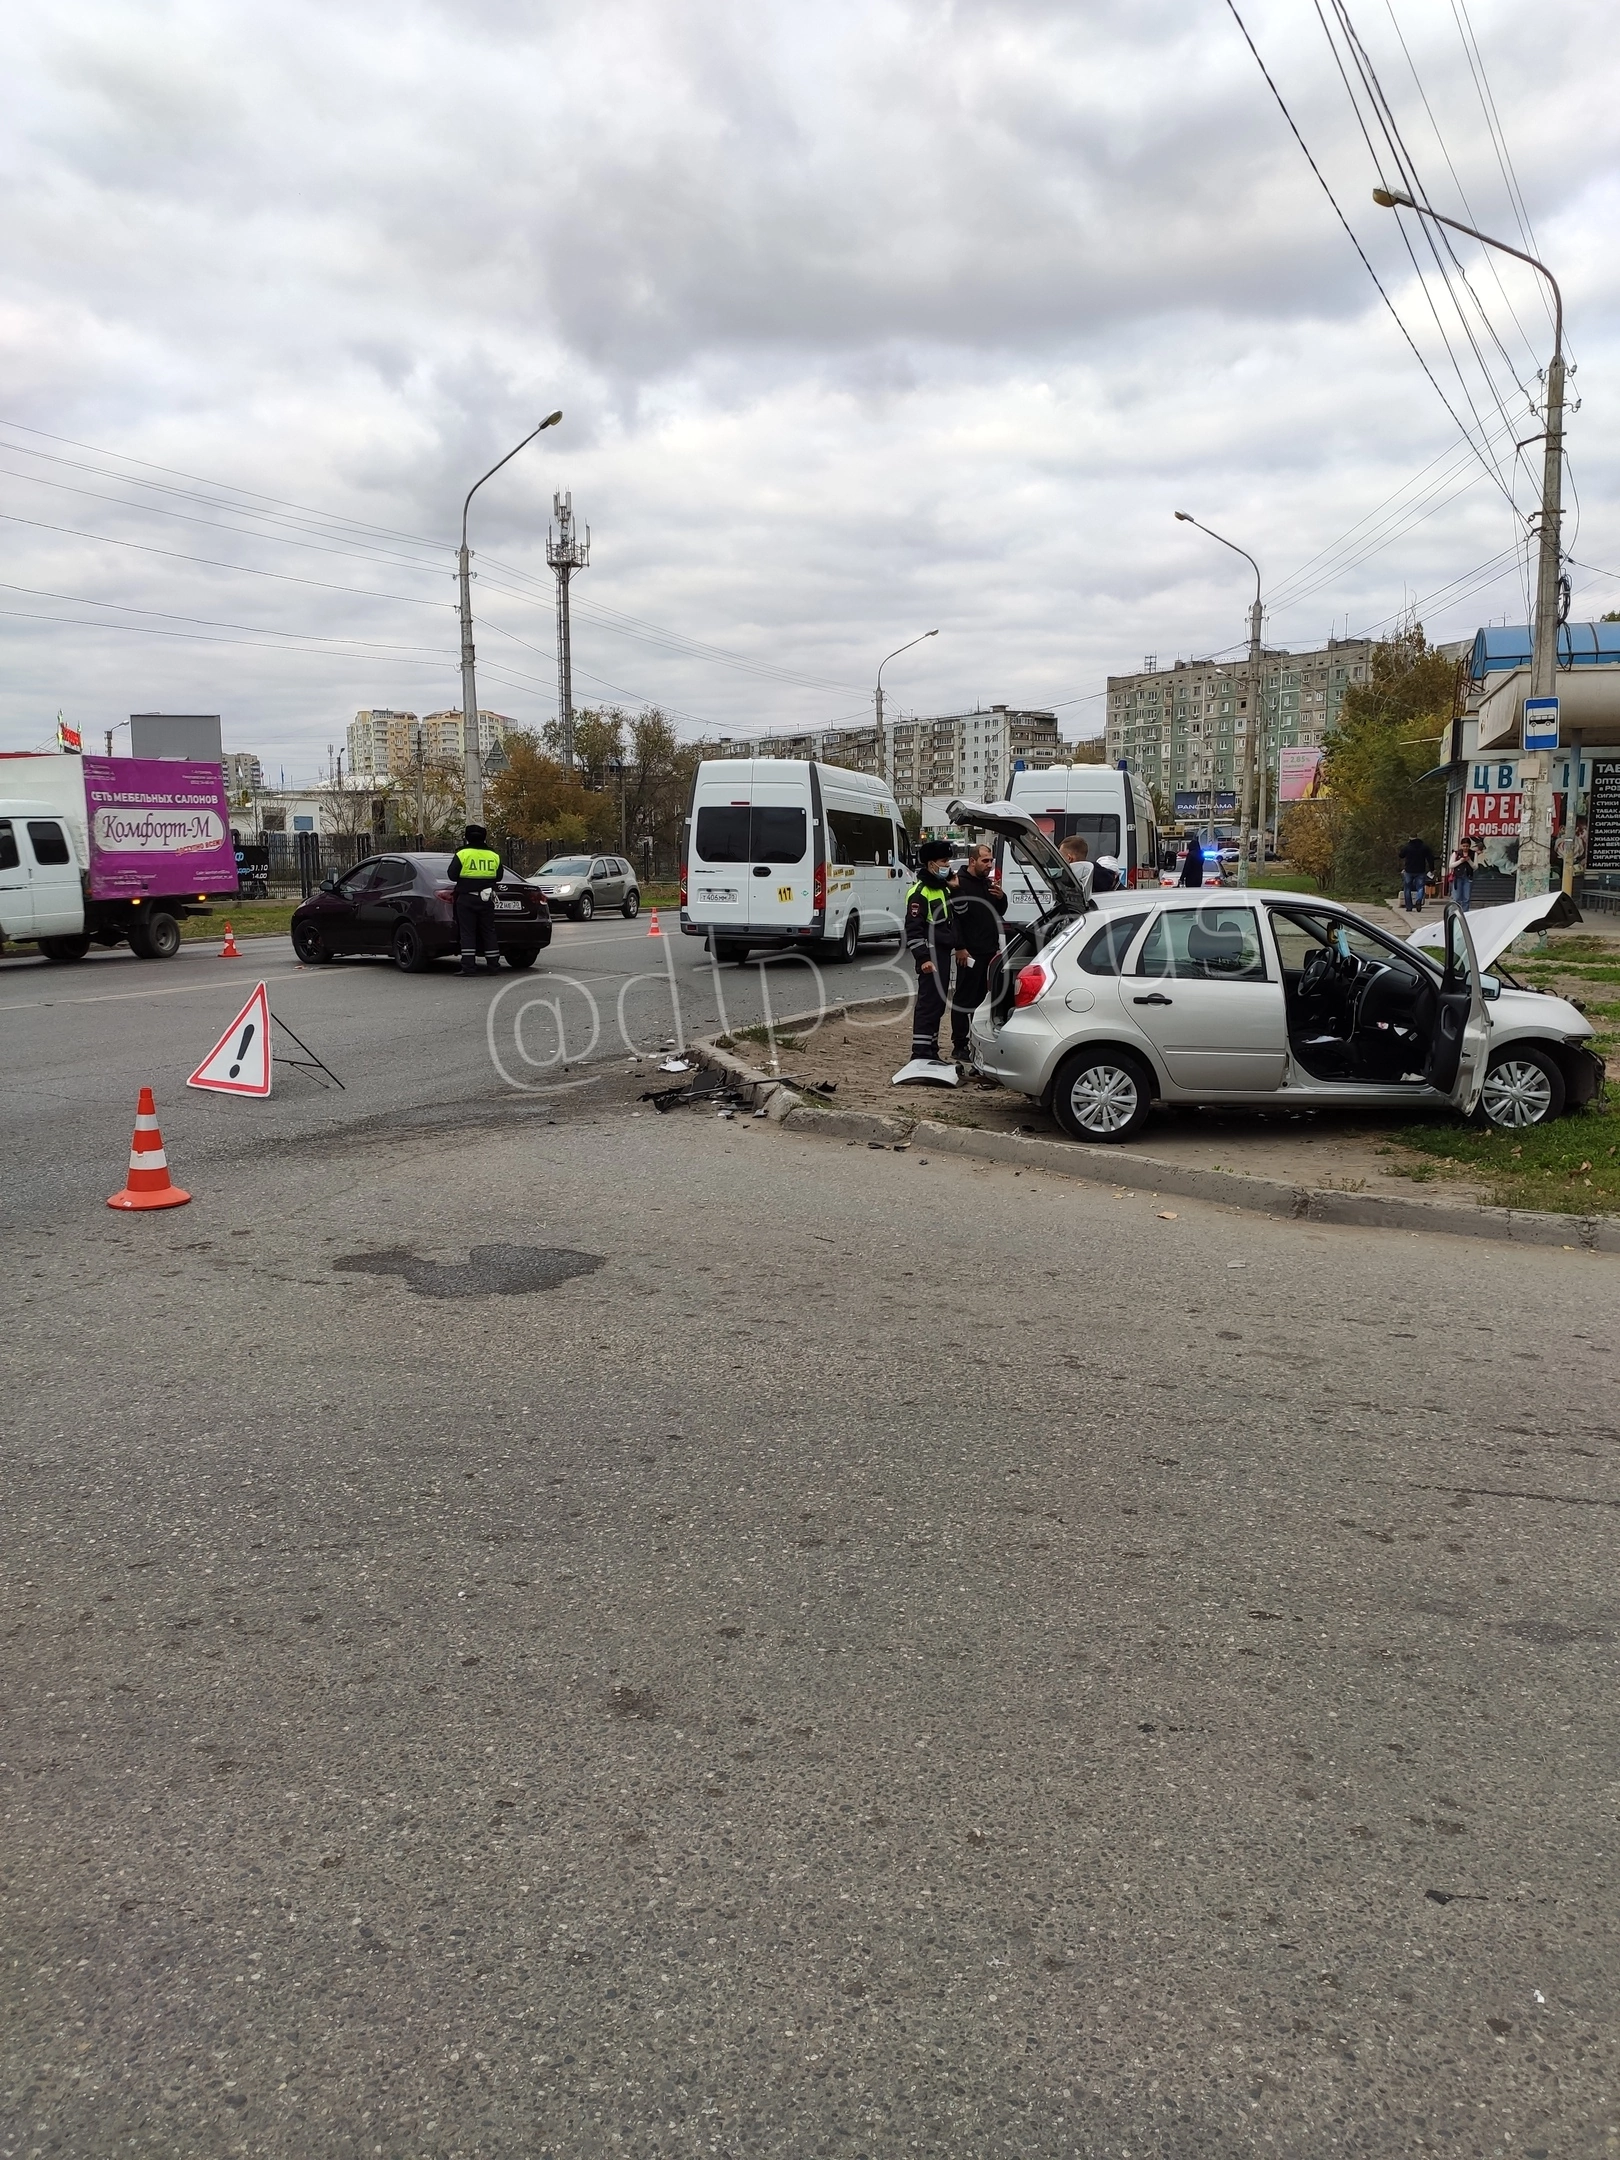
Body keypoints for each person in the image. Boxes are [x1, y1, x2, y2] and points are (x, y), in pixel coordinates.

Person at [948, 842, 1008, 1063]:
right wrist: (960, 947)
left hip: (988, 951)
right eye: (985, 861)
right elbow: (956, 921)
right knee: (964, 999)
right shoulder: (959, 884)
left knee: (984, 1000)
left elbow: (998, 912)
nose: (989, 865)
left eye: (991, 861)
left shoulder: (987, 884)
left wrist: (1001, 897)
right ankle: (959, 1044)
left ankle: (977, 1041)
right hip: (969, 952)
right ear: (972, 861)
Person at [904, 837, 957, 1065]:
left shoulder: (943, 889)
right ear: (930, 864)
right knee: (928, 1005)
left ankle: (931, 1050)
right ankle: (921, 1053)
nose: (947, 866)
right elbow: (913, 930)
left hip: (943, 955)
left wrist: (955, 889)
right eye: (944, 861)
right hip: (931, 956)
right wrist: (923, 958)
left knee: (938, 1004)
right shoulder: (921, 892)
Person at [447, 821, 504, 975]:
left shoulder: (462, 854)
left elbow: (452, 875)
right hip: (486, 899)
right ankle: (493, 966)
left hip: (466, 899)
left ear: (467, 838)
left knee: (467, 932)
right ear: (484, 838)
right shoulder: (494, 855)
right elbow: (499, 876)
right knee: (489, 931)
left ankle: (468, 967)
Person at [1398, 833, 1434, 913]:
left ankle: (1409, 907)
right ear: (1417, 837)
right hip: (1420, 870)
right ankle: (1418, 900)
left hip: (1409, 870)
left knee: (1407, 888)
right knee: (1420, 887)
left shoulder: (1407, 847)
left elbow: (1401, 855)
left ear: (1410, 838)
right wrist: (1432, 869)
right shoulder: (1424, 847)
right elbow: (1430, 858)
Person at [1447, 837, 1476, 913]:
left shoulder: (1473, 854)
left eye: (1467, 846)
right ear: (1461, 846)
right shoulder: (1456, 853)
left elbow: (1475, 867)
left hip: (1468, 877)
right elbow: (1450, 865)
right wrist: (1460, 861)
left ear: (1469, 846)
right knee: (1456, 898)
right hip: (1458, 877)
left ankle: (1465, 914)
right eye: (1463, 846)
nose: (1465, 848)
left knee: (1466, 898)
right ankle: (1454, 913)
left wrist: (1469, 860)